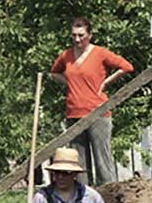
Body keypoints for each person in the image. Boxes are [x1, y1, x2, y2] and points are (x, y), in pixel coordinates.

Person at [50, 17, 133, 185]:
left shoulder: (100, 53)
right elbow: (54, 72)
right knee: (79, 163)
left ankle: (108, 194)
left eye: (81, 35)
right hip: (74, 113)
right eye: (74, 35)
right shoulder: (67, 55)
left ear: (90, 35)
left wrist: (106, 82)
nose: (77, 39)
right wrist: (70, 83)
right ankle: (83, 196)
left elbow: (127, 67)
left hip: (98, 112)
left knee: (102, 160)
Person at [28, 147, 114, 203]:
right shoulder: (41, 199)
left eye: (65, 173)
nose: (60, 177)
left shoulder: (90, 195)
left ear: (74, 174)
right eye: (57, 172)